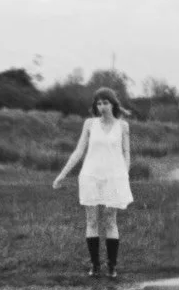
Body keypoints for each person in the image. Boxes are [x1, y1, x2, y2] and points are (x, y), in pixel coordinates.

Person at [53, 87, 132, 279]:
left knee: (110, 220)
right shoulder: (89, 124)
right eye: (99, 103)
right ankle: (95, 265)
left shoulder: (123, 126)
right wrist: (62, 174)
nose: (102, 106)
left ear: (113, 104)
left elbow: (126, 153)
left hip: (113, 177)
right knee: (91, 220)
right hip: (90, 176)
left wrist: (124, 174)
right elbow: (79, 151)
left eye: (105, 102)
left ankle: (112, 266)